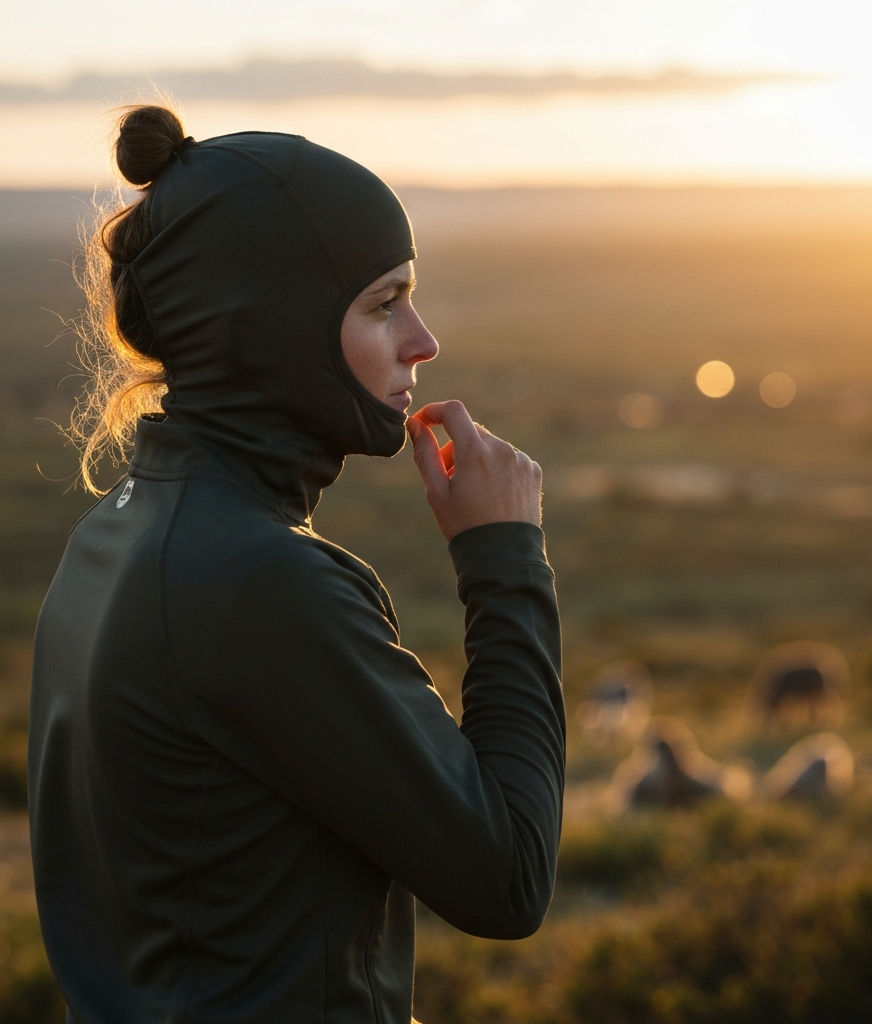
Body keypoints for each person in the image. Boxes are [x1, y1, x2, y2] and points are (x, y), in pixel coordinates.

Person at [27, 105, 565, 1024]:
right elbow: (509, 878)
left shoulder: (114, 536)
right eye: (383, 303)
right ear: (270, 327)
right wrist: (503, 557)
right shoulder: (260, 584)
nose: (423, 341)